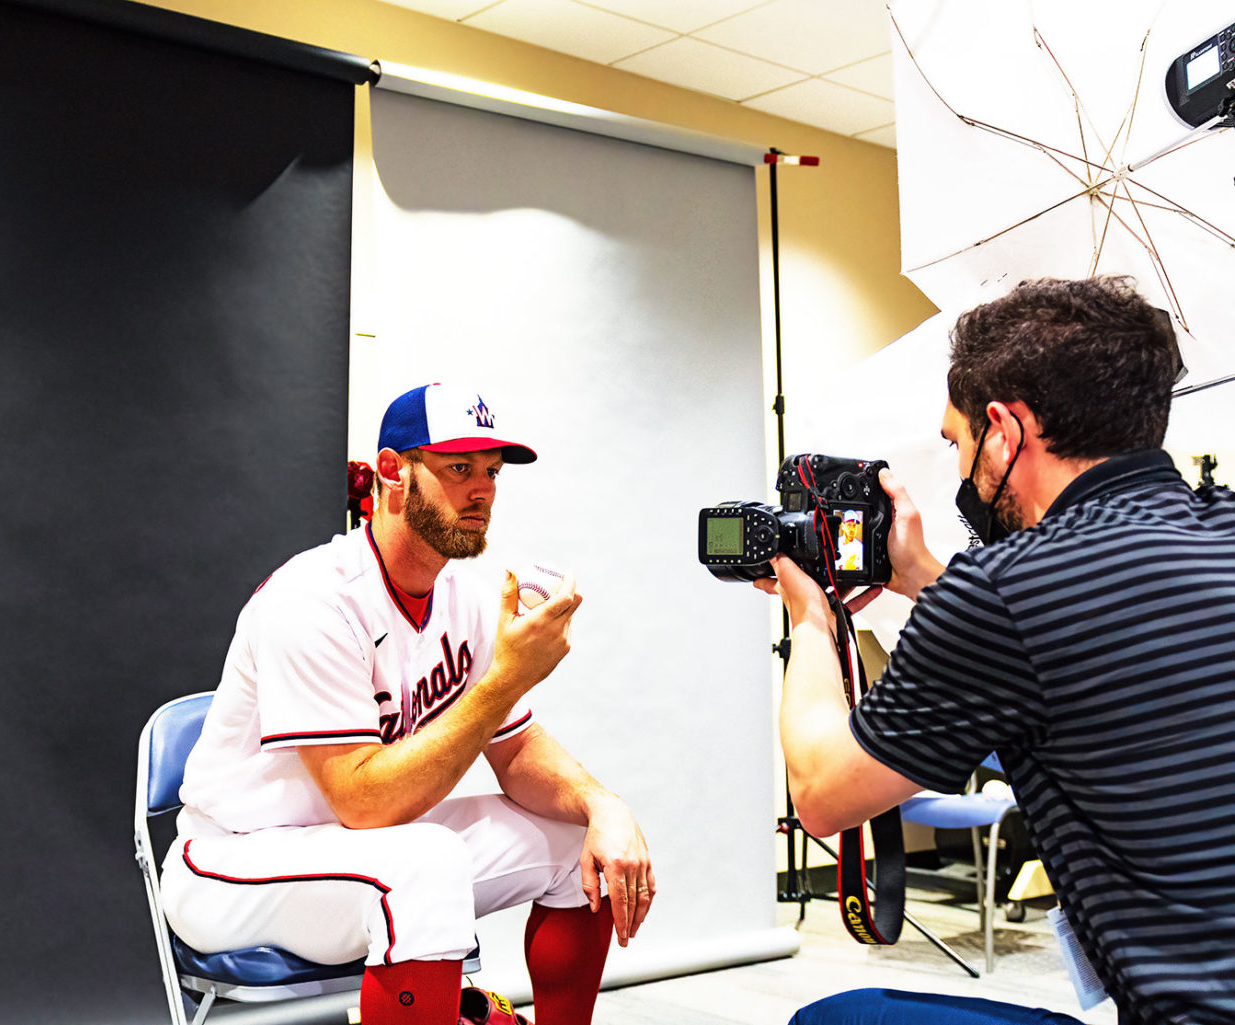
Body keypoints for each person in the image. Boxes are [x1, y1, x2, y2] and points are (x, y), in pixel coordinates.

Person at [755, 277, 1235, 1025]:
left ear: (1005, 432)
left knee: (840, 1019)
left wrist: (810, 613)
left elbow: (821, 791)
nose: (958, 469)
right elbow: (1078, 645)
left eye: (958, 441)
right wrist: (918, 576)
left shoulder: (1005, 587)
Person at [160, 383, 655, 1025]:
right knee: (424, 862)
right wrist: (504, 680)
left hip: (357, 849)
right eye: (458, 468)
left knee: (574, 842)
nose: (482, 491)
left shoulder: (465, 600)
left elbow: (518, 749)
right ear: (394, 471)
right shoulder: (314, 600)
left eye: (491, 472)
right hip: (234, 861)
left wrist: (602, 805)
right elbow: (364, 803)